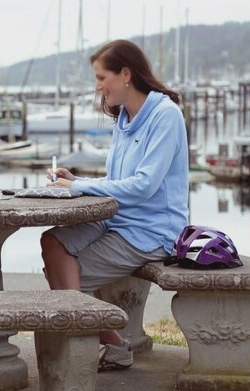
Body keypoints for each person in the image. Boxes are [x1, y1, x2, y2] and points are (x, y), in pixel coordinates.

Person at [41, 39, 189, 371]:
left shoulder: (165, 115)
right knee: (52, 242)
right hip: (116, 217)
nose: (97, 87)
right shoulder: (124, 117)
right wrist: (75, 179)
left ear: (125, 74)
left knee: (68, 279)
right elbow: (118, 181)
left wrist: (78, 186)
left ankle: (88, 344)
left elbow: (144, 185)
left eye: (101, 78)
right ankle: (113, 342)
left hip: (152, 230)